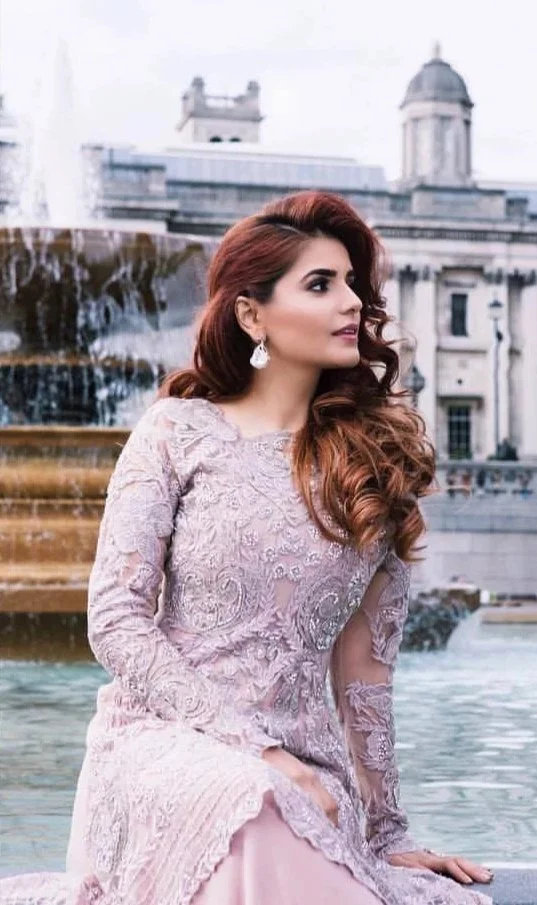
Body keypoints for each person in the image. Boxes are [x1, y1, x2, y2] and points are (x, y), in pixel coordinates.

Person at [0, 191, 495, 905]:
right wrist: (256, 752)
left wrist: (386, 833)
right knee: (251, 796)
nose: (351, 301)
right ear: (251, 313)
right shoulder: (176, 430)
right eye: (321, 284)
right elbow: (114, 622)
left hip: (304, 767)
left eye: (352, 283)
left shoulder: (373, 464)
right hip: (161, 748)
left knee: (273, 800)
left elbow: (363, 678)